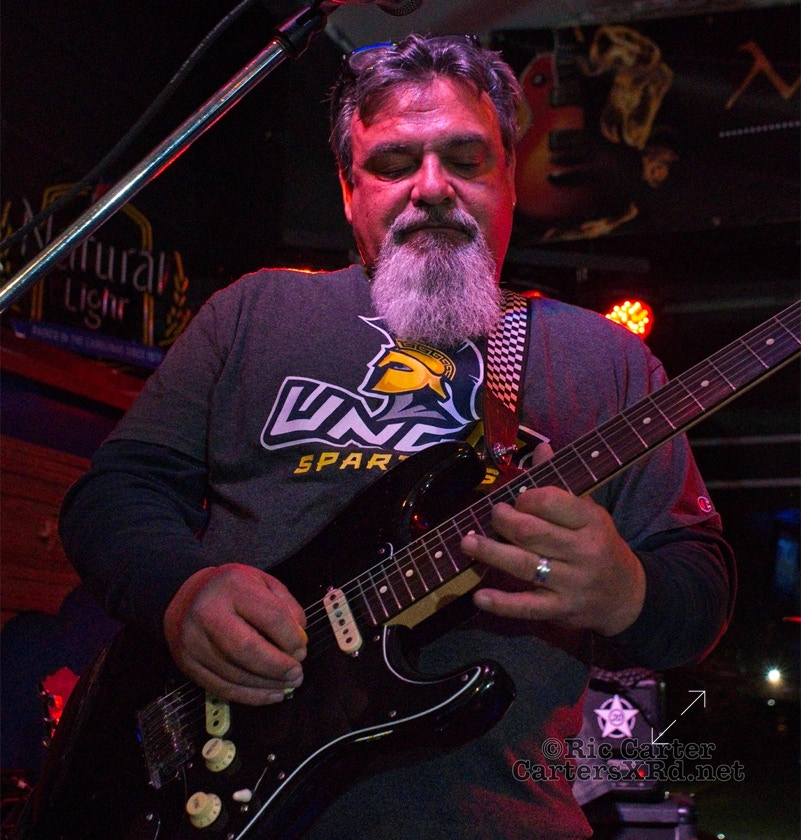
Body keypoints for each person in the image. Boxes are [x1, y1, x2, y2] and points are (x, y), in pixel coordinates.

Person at [58, 34, 734, 839]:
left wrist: (628, 591)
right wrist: (182, 592)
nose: (432, 187)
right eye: (392, 163)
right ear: (349, 192)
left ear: (507, 180)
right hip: (207, 780)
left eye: (465, 159)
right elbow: (115, 494)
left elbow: (700, 583)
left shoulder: (605, 359)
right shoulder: (255, 312)